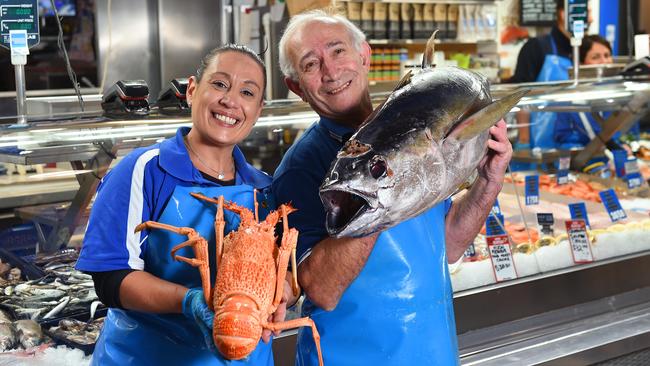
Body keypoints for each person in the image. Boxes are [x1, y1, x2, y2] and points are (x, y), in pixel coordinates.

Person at [273, 9, 512, 366]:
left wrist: (488, 181)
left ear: (364, 55)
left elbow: (449, 244)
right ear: (296, 88)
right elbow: (322, 291)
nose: (331, 71)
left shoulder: (413, 132)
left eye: (338, 51)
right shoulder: (299, 168)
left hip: (433, 351)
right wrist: (381, 195)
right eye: (310, 64)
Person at [76, 44, 296, 365]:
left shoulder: (263, 188)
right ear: (192, 90)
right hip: (148, 357)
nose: (230, 101)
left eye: (247, 92)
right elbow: (110, 280)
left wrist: (284, 290)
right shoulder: (143, 169)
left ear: (258, 109)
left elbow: (283, 268)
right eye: (219, 84)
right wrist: (189, 300)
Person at [554, 35, 639, 149]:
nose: (604, 61)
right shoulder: (569, 98)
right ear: (581, 63)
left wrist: (627, 146)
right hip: (587, 163)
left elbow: (632, 134)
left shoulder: (621, 94)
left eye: (607, 55)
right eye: (596, 57)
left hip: (619, 161)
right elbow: (562, 139)